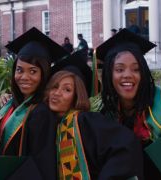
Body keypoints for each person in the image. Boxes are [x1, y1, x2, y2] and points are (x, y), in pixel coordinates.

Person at [96, 28, 161, 179]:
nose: (128, 75)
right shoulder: (106, 115)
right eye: (119, 69)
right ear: (109, 75)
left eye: (136, 69)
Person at [0, 27, 68, 179]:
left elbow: (42, 166)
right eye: (20, 70)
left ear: (44, 74)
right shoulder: (11, 106)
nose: (24, 77)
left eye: (33, 71)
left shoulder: (42, 114)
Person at [44, 51, 144, 179]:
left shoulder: (85, 120)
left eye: (67, 90)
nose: (57, 93)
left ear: (76, 97)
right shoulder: (51, 123)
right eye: (54, 86)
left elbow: (127, 143)